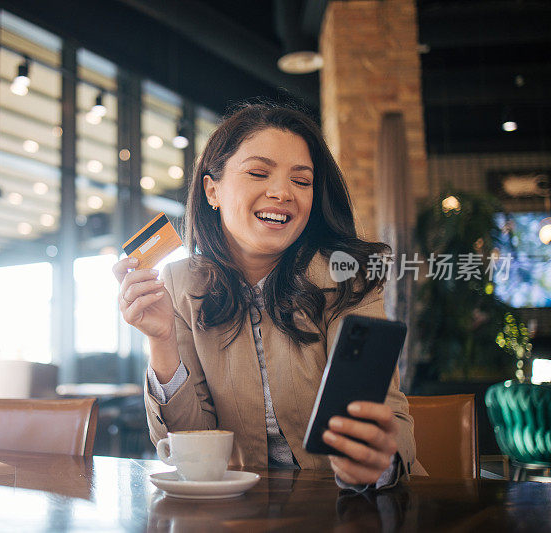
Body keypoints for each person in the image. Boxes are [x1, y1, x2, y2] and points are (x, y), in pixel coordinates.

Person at [112, 102, 424, 489]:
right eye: (259, 173)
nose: (282, 192)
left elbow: (388, 414)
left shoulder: (347, 277)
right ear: (213, 190)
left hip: (349, 505)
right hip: (235, 513)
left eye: (302, 181)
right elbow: (189, 447)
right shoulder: (179, 285)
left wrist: (378, 462)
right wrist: (159, 340)